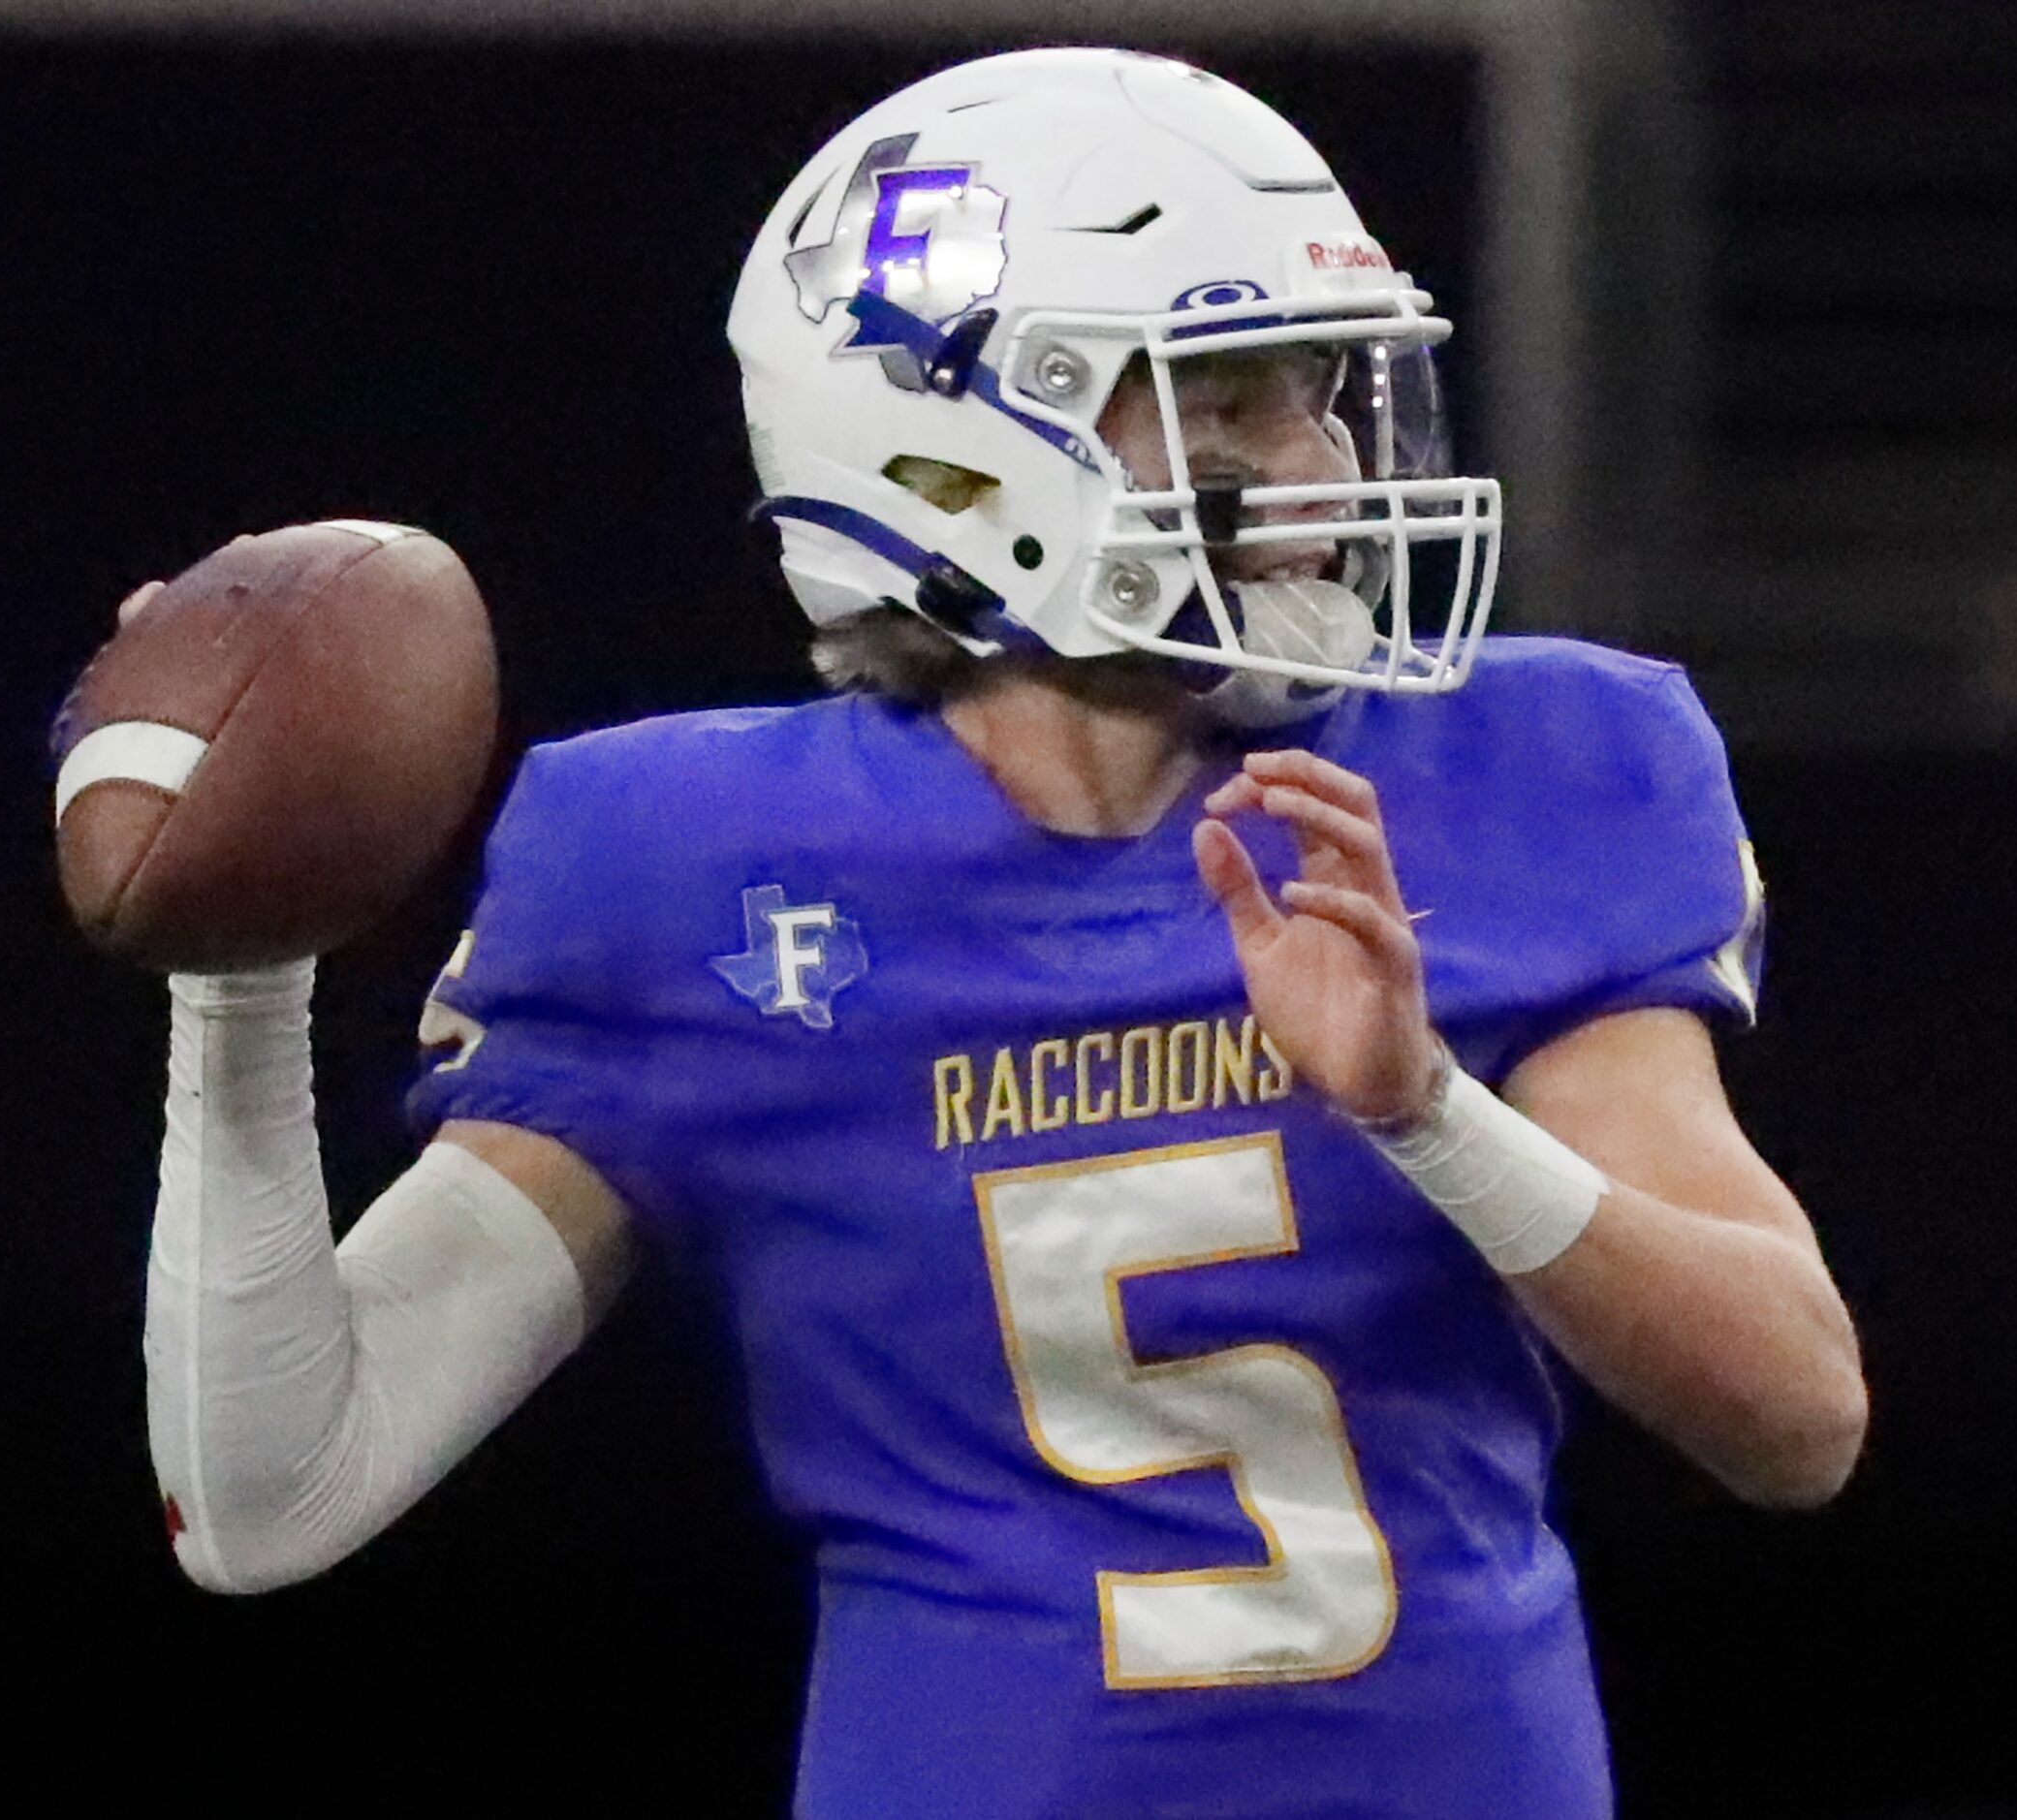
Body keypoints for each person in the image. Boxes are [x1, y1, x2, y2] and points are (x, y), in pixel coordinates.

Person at [136, 48, 1866, 1817]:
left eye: (1324, 395)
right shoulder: (689, 865)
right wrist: (239, 981)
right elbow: (274, 1496)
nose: (1325, 476)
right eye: (1226, 403)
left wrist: (1428, 1108)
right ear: (955, 456)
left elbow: (1796, 1412)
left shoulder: (1519, 766)